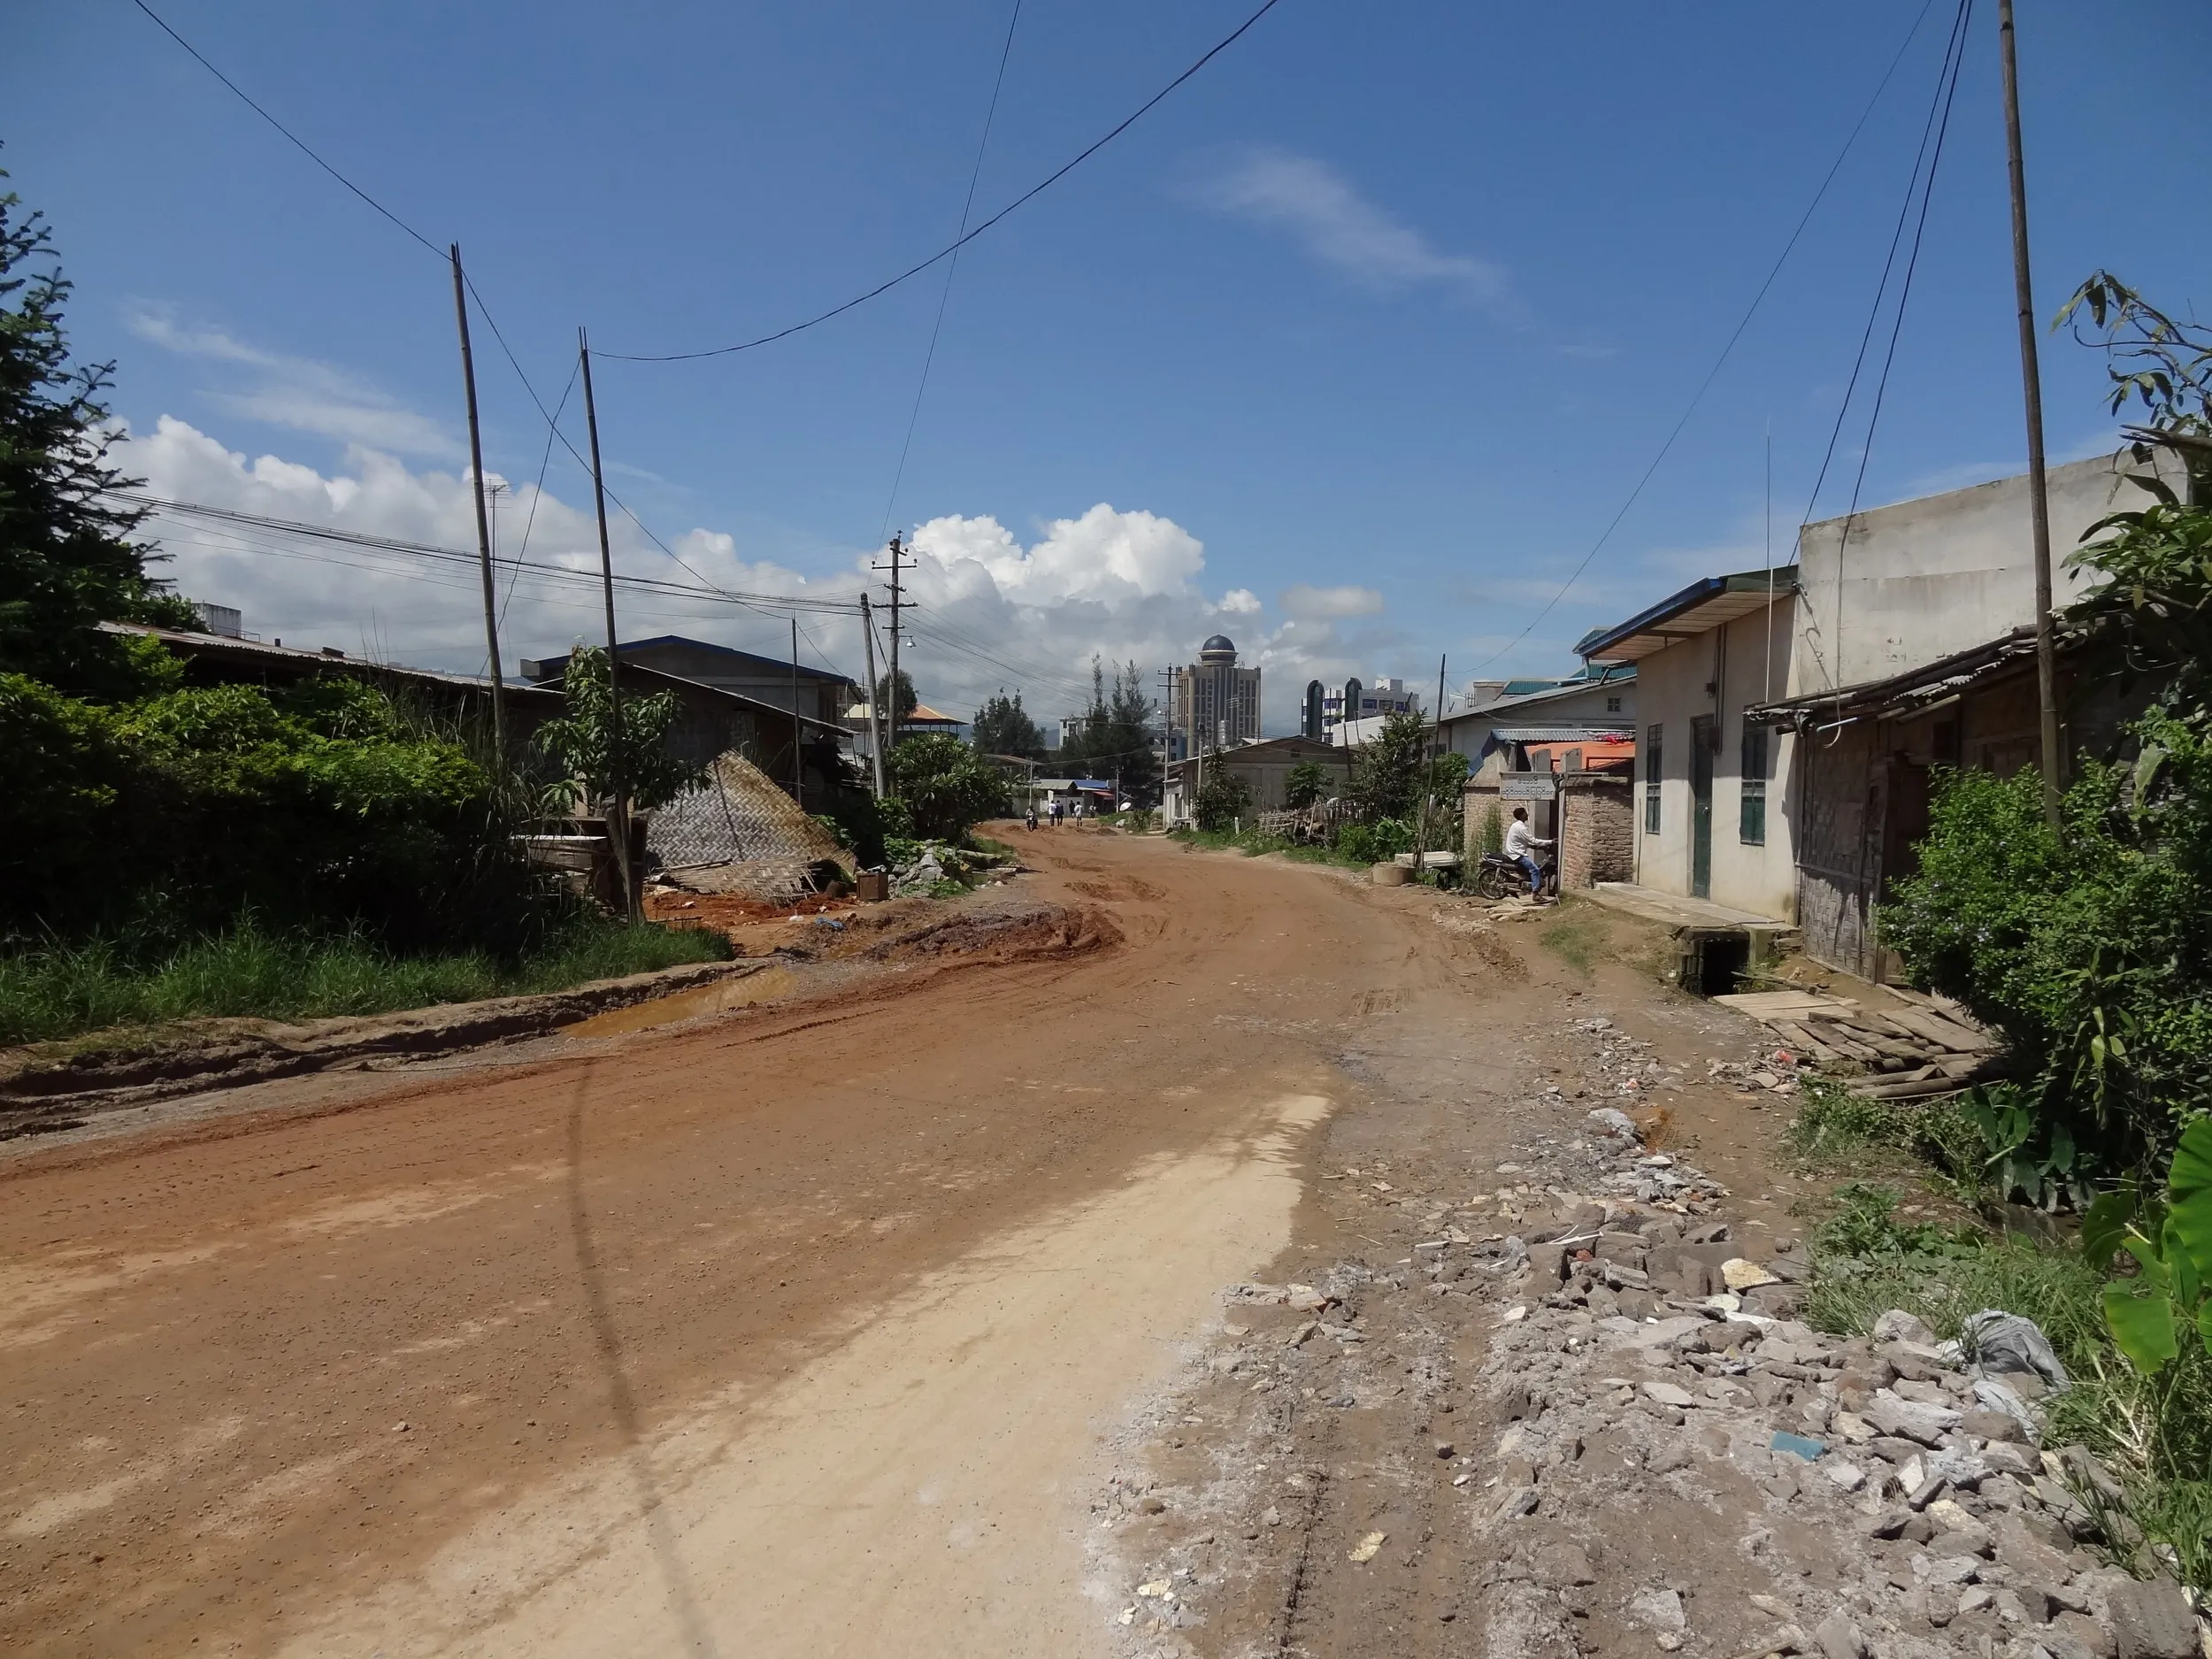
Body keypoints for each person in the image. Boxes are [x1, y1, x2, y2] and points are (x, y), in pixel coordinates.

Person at [1503, 806, 1553, 900]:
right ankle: (1535, 894)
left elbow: (1521, 841)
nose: (1527, 814)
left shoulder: (1515, 826)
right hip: (1518, 855)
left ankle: (1521, 882)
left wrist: (1533, 847)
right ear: (1521, 816)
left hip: (1513, 852)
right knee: (1535, 870)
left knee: (1528, 870)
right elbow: (1533, 840)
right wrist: (1550, 842)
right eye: (1525, 813)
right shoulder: (1521, 828)